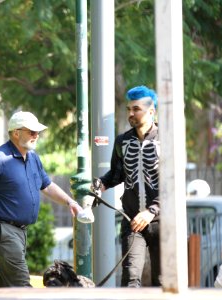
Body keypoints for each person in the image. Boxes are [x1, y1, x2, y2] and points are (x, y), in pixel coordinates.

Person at [0, 111, 82, 289]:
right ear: (16, 133)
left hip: (19, 232)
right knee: (22, 286)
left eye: (37, 132)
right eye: (31, 132)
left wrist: (71, 202)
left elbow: (46, 185)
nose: (36, 136)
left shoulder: (33, 158)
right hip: (1, 230)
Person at [92, 85, 160, 287]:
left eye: (136, 109)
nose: (131, 113)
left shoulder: (167, 139)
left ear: (151, 111)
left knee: (163, 281)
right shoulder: (122, 141)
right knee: (130, 279)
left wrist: (151, 211)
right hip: (132, 221)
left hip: (162, 221)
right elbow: (116, 174)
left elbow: (173, 184)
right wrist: (99, 185)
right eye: (129, 109)